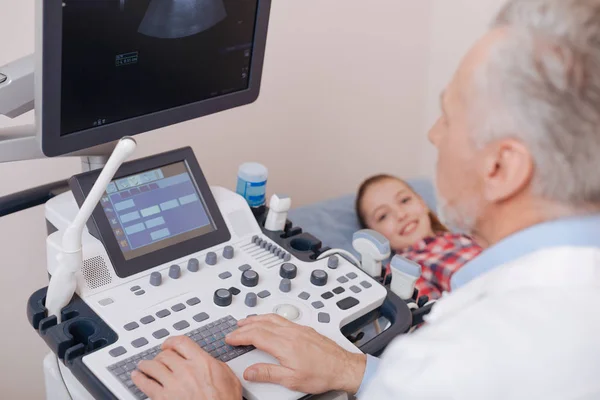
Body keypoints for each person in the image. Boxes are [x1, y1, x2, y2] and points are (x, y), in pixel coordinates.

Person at [131, 0, 600, 398]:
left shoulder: (476, 355)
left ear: (501, 168)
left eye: (448, 117)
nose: (434, 135)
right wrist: (352, 369)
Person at [356, 174, 482, 300]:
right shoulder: (401, 273)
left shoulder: (464, 236)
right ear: (376, 236)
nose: (401, 214)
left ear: (422, 203)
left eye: (404, 200)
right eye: (383, 216)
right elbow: (435, 317)